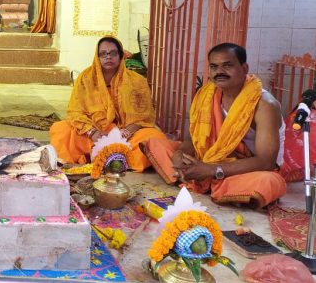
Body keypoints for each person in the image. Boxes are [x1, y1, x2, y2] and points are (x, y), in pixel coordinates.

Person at [141, 43, 287, 207]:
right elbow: (194, 140)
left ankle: (205, 180)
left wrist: (211, 170)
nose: (219, 72)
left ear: (244, 68)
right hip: (209, 159)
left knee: (268, 182)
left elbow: (266, 162)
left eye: (227, 65)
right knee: (155, 143)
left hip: (246, 168)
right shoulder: (207, 95)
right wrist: (180, 156)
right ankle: (202, 178)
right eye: (214, 67)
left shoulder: (264, 104)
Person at [49, 37, 167, 172]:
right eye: (103, 53)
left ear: (121, 55)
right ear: (97, 56)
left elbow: (145, 115)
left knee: (155, 137)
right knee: (60, 129)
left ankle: (119, 159)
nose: (108, 57)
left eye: (113, 53)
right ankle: (107, 156)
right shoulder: (86, 78)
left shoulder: (137, 81)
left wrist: (127, 131)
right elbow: (75, 112)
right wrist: (92, 132)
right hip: (95, 133)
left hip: (128, 136)